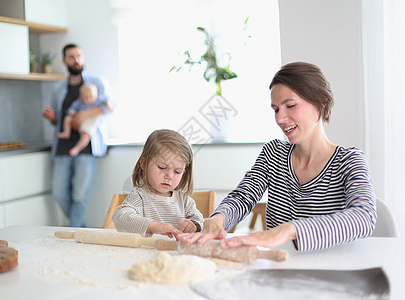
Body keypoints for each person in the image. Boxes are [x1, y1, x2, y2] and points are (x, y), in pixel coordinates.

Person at [180, 62, 377, 251]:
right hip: (280, 265)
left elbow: (364, 217)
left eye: (290, 105)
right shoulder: (273, 153)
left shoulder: (349, 160)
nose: (280, 119)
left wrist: (290, 230)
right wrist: (218, 219)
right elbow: (243, 197)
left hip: (330, 272)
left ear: (321, 102)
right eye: (275, 109)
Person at [42, 43, 113, 227]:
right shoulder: (58, 88)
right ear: (64, 60)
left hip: (87, 145)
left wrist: (83, 115)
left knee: (80, 195)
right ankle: (83, 230)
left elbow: (109, 107)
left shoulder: (97, 82)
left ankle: (73, 233)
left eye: (79, 55)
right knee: (59, 193)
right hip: (63, 146)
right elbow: (58, 120)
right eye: (71, 57)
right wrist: (52, 118)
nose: (76, 60)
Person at [112, 129, 204, 238]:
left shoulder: (184, 200)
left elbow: (200, 221)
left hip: (176, 253)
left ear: (183, 172)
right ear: (144, 164)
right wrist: (152, 226)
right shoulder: (139, 197)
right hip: (147, 252)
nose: (169, 176)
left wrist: (194, 225)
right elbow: (120, 217)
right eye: (162, 167)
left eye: (177, 171)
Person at [58, 83, 112, 157]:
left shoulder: (99, 100)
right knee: (67, 118)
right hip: (78, 120)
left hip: (90, 122)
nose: (89, 100)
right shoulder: (79, 103)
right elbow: (72, 109)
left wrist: (108, 103)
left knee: (86, 134)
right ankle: (66, 132)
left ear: (96, 95)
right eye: (86, 98)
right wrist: (72, 113)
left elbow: (109, 104)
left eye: (91, 97)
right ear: (81, 97)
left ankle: (77, 148)